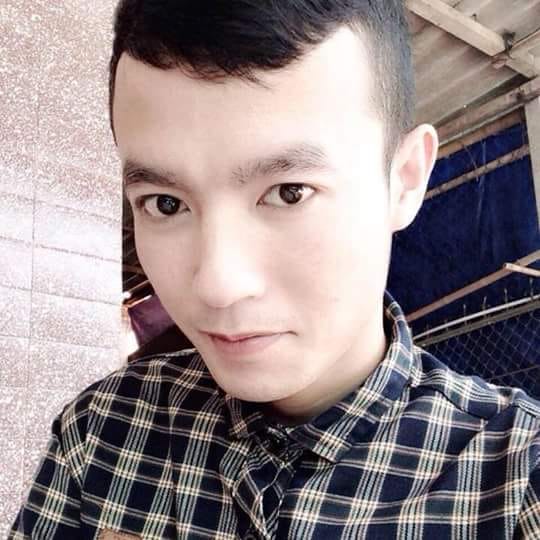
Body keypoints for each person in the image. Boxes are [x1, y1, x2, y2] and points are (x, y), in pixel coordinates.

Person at [9, 1, 540, 538]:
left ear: (404, 180)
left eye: (289, 193)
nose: (218, 285)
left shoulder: (516, 483)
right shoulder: (103, 431)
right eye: (166, 204)